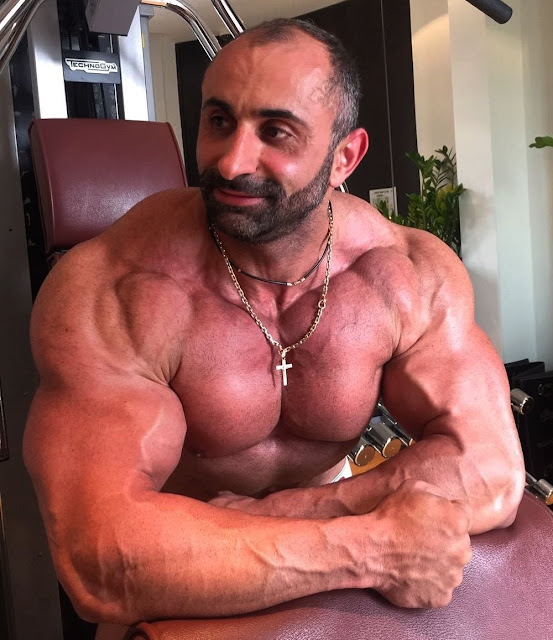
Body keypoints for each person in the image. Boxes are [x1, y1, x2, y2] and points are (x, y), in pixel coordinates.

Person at [24, 17, 524, 635]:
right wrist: (370, 548)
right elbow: (99, 562)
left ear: (345, 156)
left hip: (300, 561)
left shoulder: (403, 274)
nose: (233, 163)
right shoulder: (118, 287)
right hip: (182, 579)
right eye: (219, 121)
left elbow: (491, 472)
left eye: (276, 132)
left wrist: (294, 510)